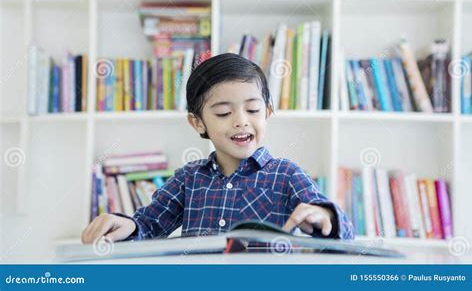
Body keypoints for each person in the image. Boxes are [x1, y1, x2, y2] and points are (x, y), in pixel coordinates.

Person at [81, 53, 354, 244]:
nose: (240, 121)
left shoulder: (287, 175)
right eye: (223, 113)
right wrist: (123, 224)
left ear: (268, 112)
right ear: (198, 122)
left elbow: (343, 232)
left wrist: (325, 216)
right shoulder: (188, 179)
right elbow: (149, 226)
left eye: (253, 109)